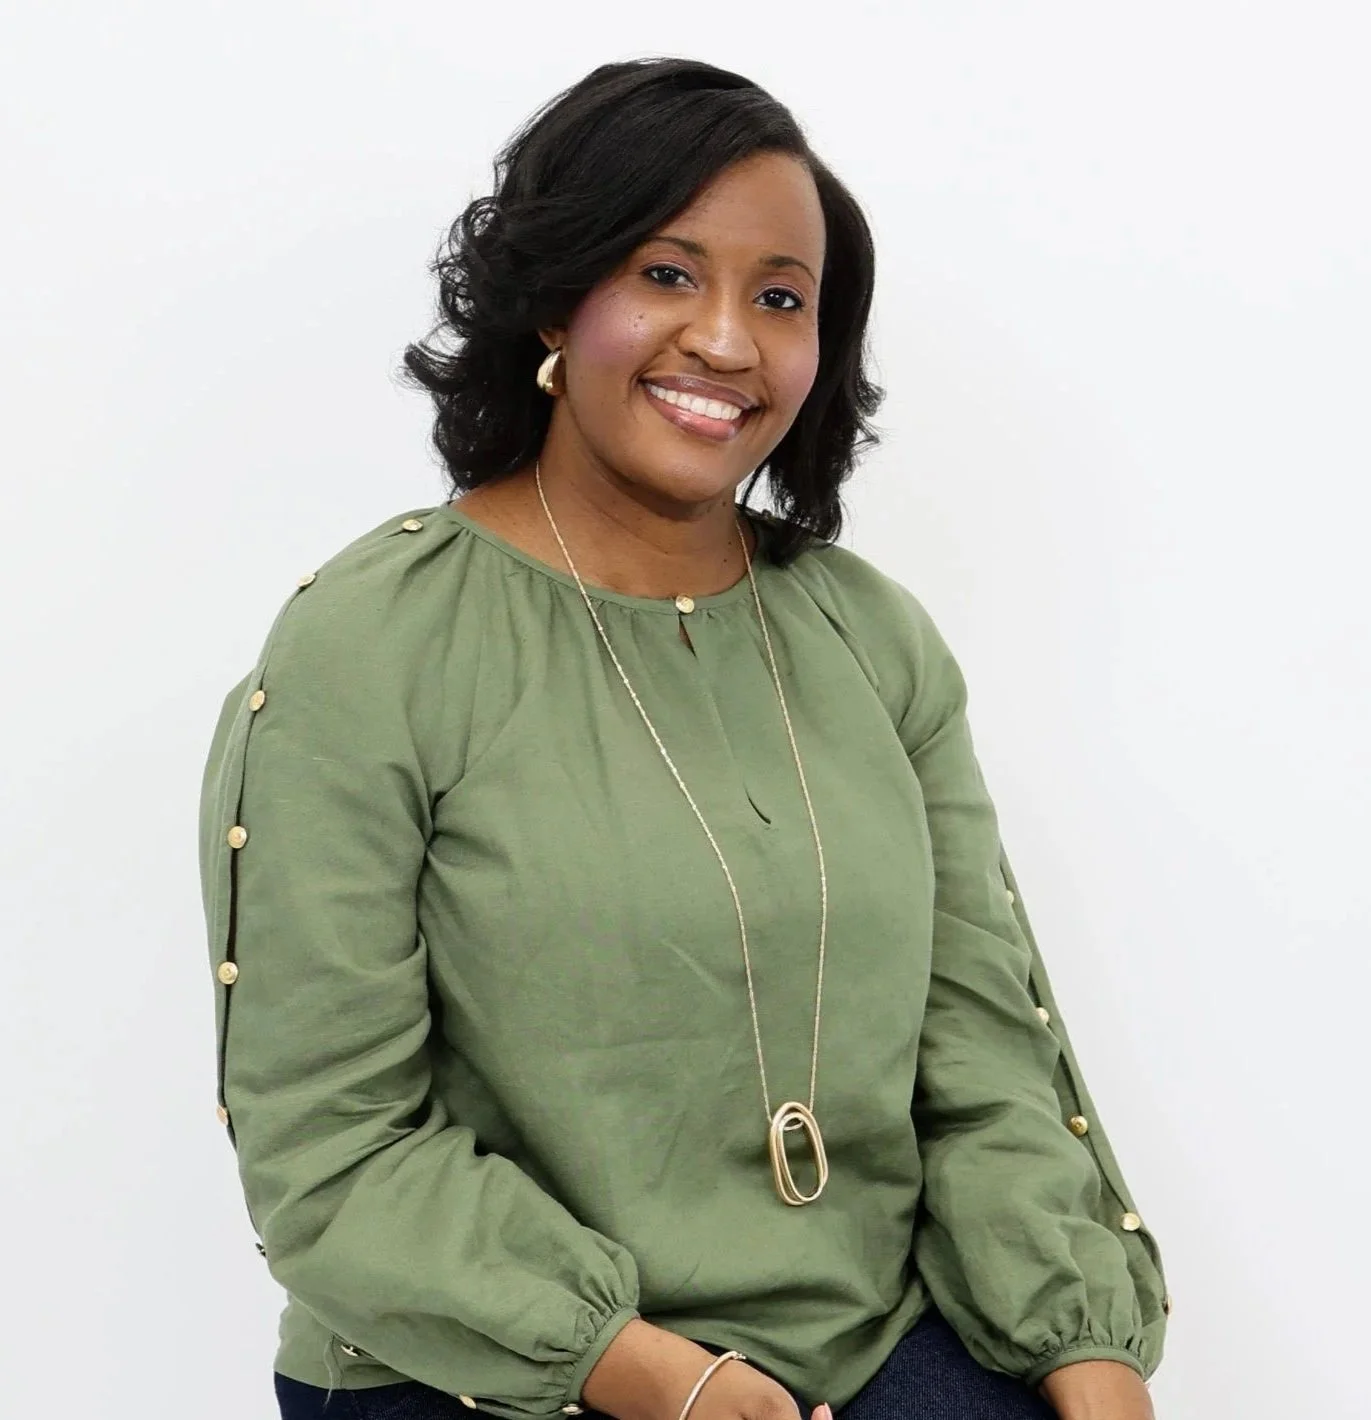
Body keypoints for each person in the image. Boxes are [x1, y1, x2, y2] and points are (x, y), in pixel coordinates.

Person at [198, 56, 1170, 1420]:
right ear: (554, 291)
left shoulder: (864, 640)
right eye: (664, 274)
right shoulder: (370, 648)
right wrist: (665, 1378)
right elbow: (330, 1147)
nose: (725, 339)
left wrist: (1087, 1352)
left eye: (779, 297)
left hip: (872, 1340)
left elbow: (981, 1061)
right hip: (487, 1359)